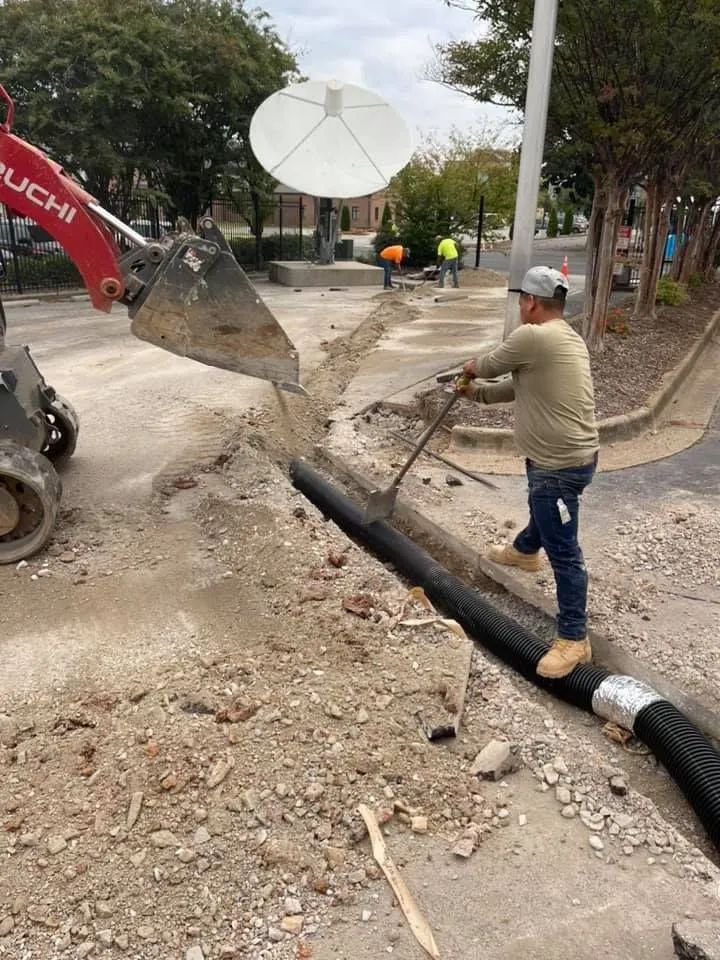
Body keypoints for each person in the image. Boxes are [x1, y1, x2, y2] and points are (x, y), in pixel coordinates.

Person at [457, 266, 599, 679]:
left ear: (532, 302)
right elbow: (516, 387)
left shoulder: (531, 336)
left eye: (521, 299)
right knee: (545, 508)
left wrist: (469, 370)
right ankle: (522, 551)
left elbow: (487, 364)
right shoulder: (566, 338)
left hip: (558, 466)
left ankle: (574, 638)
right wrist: (475, 394)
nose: (520, 306)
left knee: (566, 553)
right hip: (575, 459)